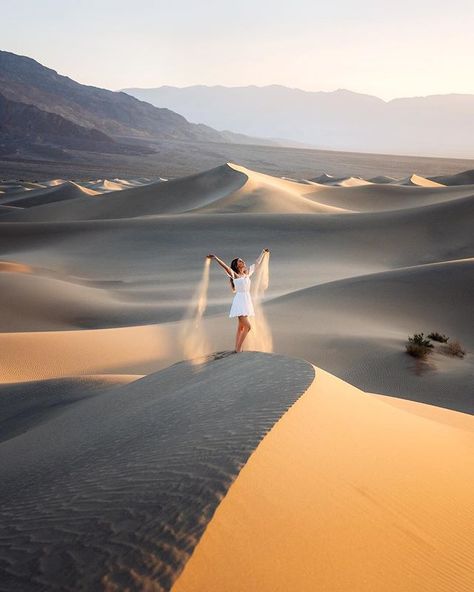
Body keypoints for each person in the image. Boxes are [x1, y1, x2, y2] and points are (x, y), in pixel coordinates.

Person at [207, 249, 269, 352]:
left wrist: (263, 252)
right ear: (236, 265)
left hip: (246, 301)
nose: (242, 261)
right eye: (240, 261)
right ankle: (238, 350)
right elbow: (225, 267)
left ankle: (237, 348)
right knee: (248, 327)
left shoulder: (247, 274)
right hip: (240, 301)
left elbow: (256, 263)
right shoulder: (235, 275)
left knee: (241, 327)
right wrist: (216, 258)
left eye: (242, 260)